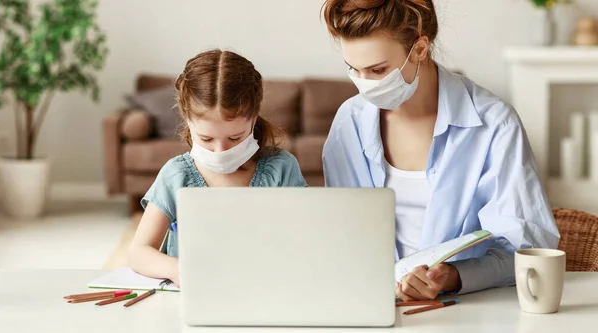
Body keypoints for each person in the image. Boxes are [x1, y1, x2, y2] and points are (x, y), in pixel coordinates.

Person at [320, 0, 559, 301]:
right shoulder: (348, 122)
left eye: (378, 70)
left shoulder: (494, 124)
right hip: (365, 302)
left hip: (464, 309)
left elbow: (528, 248)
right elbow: (338, 233)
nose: (365, 85)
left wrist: (454, 277)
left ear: (420, 48)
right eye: (354, 70)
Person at [128, 49, 307, 286]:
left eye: (235, 138)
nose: (221, 152)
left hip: (267, 291)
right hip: (195, 299)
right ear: (187, 119)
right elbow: (139, 252)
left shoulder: (282, 168)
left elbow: (304, 241)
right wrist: (176, 268)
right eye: (206, 139)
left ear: (254, 117)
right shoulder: (177, 175)